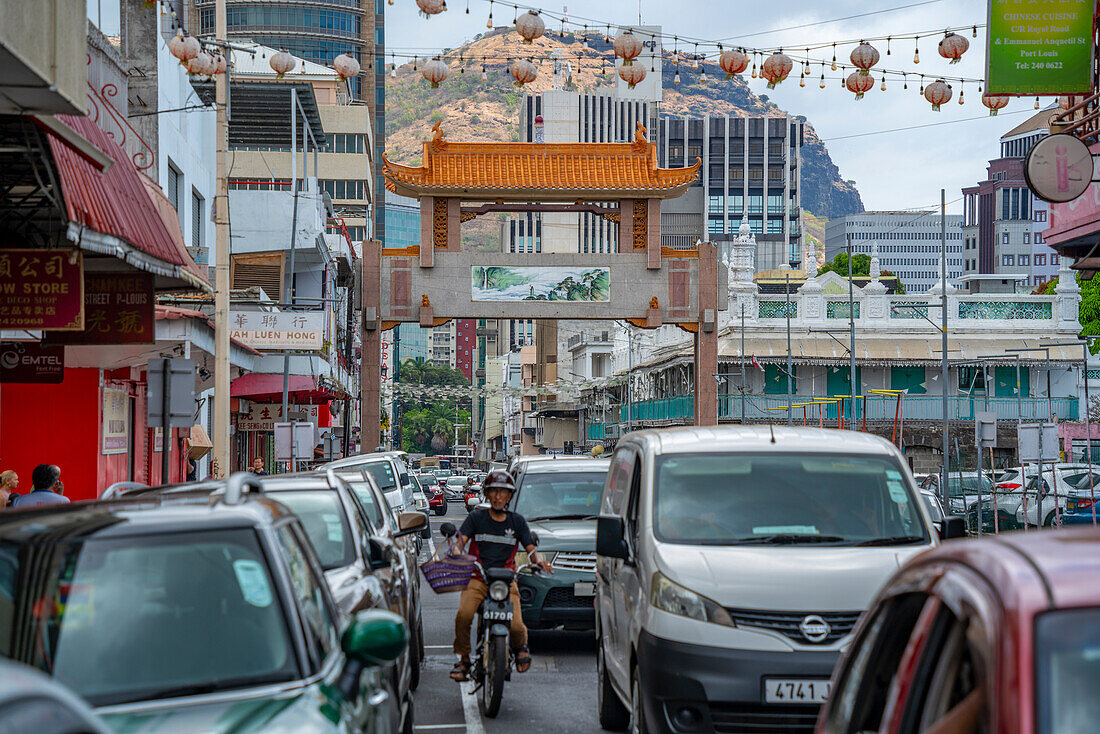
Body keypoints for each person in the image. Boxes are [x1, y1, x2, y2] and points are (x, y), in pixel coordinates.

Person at [449, 469, 551, 682]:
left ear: (509, 496)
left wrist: (539, 562)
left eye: (502, 492)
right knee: (464, 615)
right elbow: (460, 542)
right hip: (477, 578)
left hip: (506, 580)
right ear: (486, 494)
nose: (497, 497)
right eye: (493, 491)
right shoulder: (476, 517)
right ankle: (464, 658)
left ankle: (521, 648)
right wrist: (456, 552)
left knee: (516, 625)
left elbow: (531, 550)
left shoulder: (517, 522)